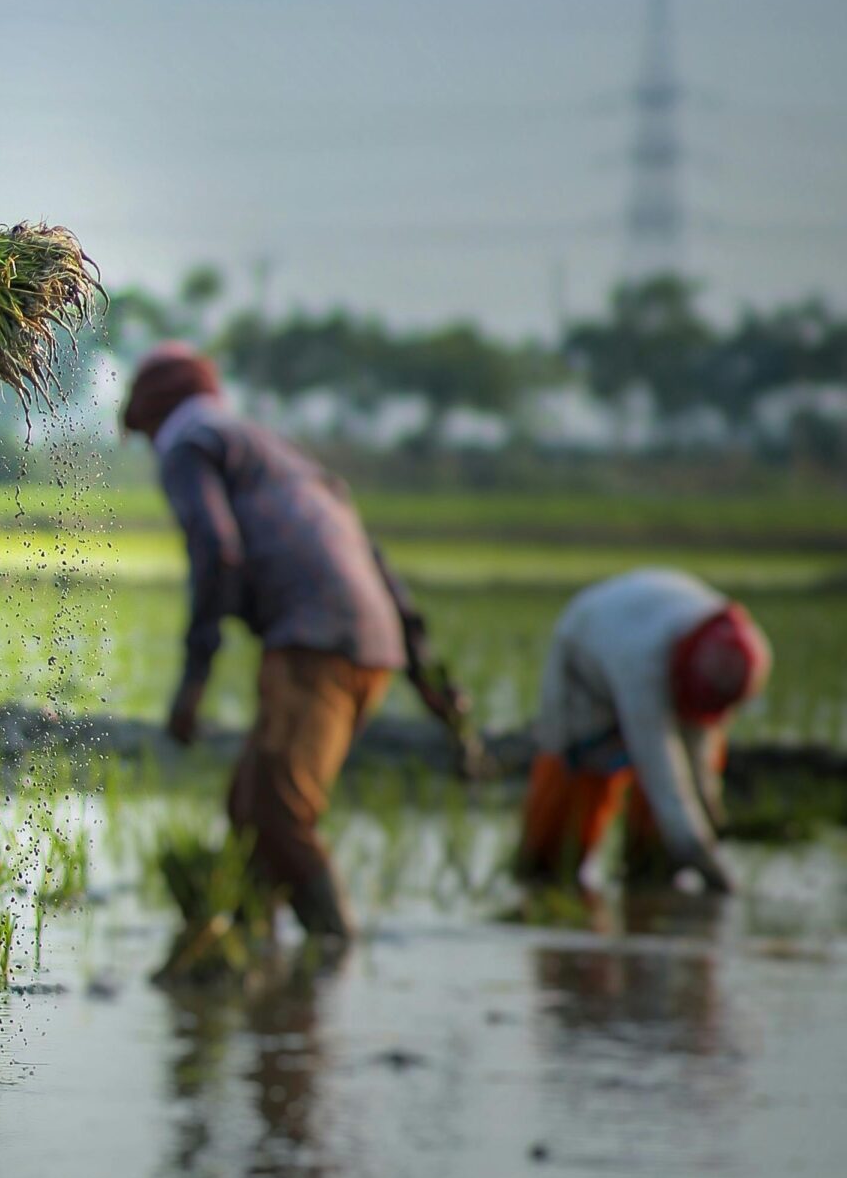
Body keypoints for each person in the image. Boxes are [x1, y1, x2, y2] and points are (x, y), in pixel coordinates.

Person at [120, 342, 467, 942]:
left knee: (280, 817)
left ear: (154, 415)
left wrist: (193, 681)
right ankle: (249, 952)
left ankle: (332, 951)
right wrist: (432, 684)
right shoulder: (282, 453)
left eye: (146, 433)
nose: (152, 448)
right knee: (249, 808)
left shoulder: (189, 444)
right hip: (371, 645)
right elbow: (374, 562)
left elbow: (217, 551)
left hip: (315, 643)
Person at [514, 568, 770, 893]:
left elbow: (698, 748)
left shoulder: (740, 651)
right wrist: (706, 862)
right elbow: (661, 769)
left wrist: (709, 815)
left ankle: (648, 880)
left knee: (662, 828)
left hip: (644, 637)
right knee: (575, 795)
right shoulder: (642, 662)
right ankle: (546, 884)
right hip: (584, 660)